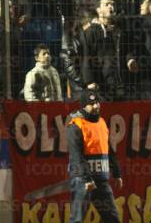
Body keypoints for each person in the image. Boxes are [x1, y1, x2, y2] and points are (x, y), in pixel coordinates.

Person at [66, 90, 123, 223]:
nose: (96, 106)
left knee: (112, 218)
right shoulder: (75, 125)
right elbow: (76, 156)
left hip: (101, 179)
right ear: (84, 106)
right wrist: (87, 179)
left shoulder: (102, 122)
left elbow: (109, 150)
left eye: (97, 102)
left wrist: (117, 173)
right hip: (82, 180)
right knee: (77, 219)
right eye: (92, 104)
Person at [80, 0, 139, 100]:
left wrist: (130, 60)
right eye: (106, 4)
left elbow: (127, 50)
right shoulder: (90, 32)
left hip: (121, 82)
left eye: (112, 4)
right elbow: (86, 56)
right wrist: (89, 81)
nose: (111, 6)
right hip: (102, 85)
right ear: (98, 10)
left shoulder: (120, 30)